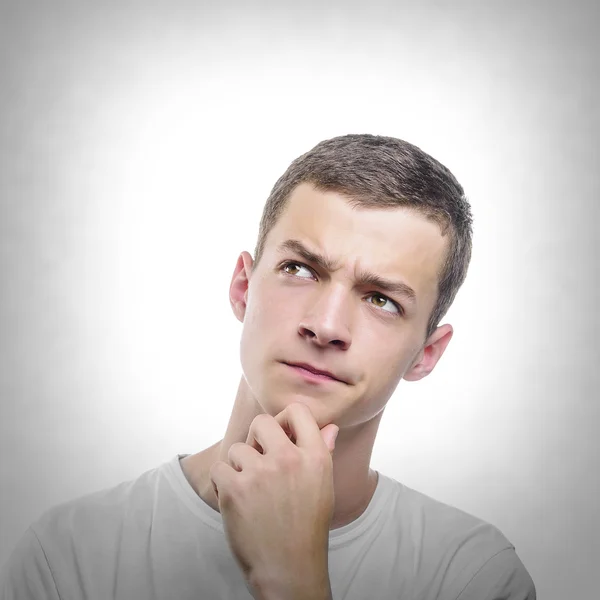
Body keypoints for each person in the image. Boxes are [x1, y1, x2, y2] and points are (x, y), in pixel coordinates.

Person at [0, 134, 536, 599]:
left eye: (382, 300)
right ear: (242, 288)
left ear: (427, 353)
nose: (326, 325)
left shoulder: (472, 577)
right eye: (300, 269)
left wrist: (296, 583)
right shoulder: (67, 554)